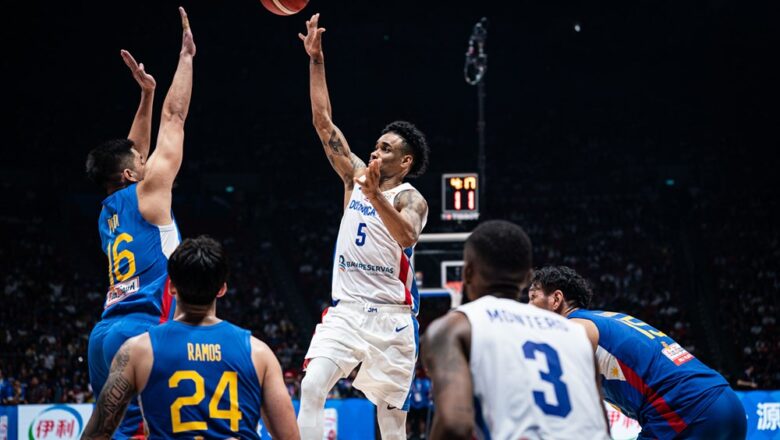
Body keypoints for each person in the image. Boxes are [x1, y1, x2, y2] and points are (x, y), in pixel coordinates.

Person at [296, 13, 431, 440]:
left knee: (392, 425)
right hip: (348, 310)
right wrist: (316, 59)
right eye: (375, 145)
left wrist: (374, 196)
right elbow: (323, 123)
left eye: (386, 148)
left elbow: (407, 235)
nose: (375, 151)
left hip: (392, 319)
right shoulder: (354, 176)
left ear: (404, 161)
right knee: (312, 386)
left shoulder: (410, 198)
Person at [84, 7, 195, 438]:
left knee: (110, 432)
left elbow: (134, 150)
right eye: (140, 161)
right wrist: (186, 58)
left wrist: (146, 94)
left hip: (103, 334)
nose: (146, 159)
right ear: (133, 174)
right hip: (144, 329)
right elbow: (176, 119)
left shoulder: (107, 211)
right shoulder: (150, 194)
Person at [81, 236, 300, 440]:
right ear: (222, 289)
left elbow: (98, 432)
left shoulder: (138, 350)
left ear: (172, 287)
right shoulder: (259, 353)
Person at [421, 220, 610, 440]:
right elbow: (601, 424)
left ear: (467, 273)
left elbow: (455, 426)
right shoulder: (575, 334)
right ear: (527, 278)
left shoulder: (455, 327)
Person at [528, 265, 747, 440]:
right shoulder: (606, 317)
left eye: (532, 297)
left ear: (556, 299)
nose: (527, 307)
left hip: (687, 412)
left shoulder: (574, 327)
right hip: (727, 403)